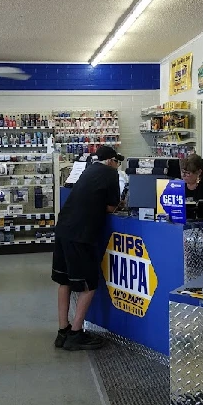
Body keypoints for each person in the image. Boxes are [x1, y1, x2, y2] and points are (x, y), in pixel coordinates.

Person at [52, 145, 123, 351]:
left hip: (63, 228)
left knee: (64, 280)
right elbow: (111, 207)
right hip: (81, 234)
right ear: (111, 161)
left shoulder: (87, 170)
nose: (117, 165)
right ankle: (76, 334)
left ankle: (63, 331)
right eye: (116, 161)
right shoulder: (111, 173)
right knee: (89, 284)